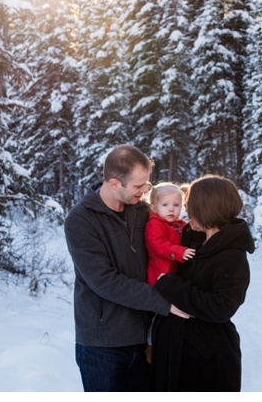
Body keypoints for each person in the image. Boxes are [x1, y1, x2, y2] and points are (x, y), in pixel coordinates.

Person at [64, 144, 189, 392]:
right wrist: (164, 302)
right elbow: (105, 281)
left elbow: (174, 236)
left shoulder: (143, 211)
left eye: (147, 184)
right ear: (114, 183)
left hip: (145, 339)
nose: (145, 191)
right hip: (103, 345)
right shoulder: (81, 221)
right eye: (138, 186)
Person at [150, 174, 255, 392]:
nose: (186, 212)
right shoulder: (193, 241)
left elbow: (221, 307)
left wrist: (170, 285)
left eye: (191, 206)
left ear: (207, 209)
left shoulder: (232, 255)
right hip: (173, 350)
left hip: (205, 360)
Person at [145, 182, 195, 285]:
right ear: (154, 208)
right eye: (165, 205)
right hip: (161, 273)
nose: (171, 209)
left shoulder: (181, 224)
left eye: (176, 205)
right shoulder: (154, 224)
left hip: (177, 272)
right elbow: (158, 245)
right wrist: (179, 252)